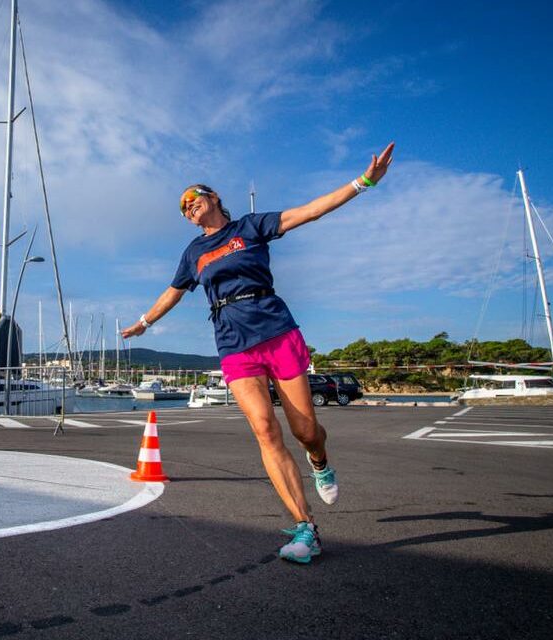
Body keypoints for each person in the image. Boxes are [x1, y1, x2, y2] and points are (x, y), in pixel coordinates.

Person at [121, 142, 395, 564]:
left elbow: (310, 211)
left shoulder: (250, 227)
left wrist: (363, 183)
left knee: (305, 430)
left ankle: (319, 461)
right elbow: (172, 292)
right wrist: (144, 322)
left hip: (275, 329)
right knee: (266, 430)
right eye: (182, 209)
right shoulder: (193, 253)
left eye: (192, 199)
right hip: (233, 343)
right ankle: (306, 528)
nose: (187, 208)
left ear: (213, 198)